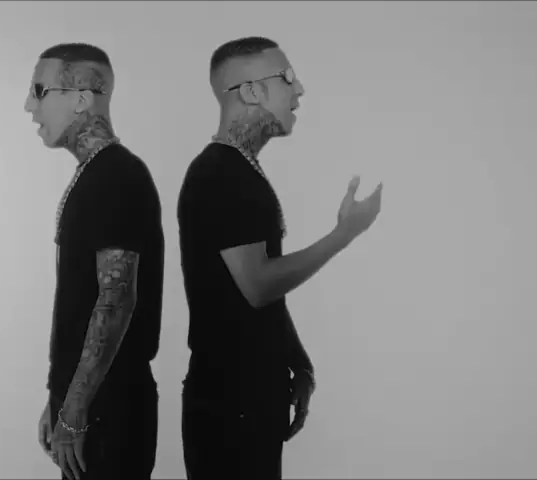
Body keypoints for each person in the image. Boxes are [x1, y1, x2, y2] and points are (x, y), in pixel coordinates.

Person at [176, 36, 384, 480]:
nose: (299, 89)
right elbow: (259, 285)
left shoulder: (240, 171)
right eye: (287, 77)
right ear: (251, 91)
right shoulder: (220, 174)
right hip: (231, 407)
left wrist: (298, 361)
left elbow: (259, 294)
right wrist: (344, 233)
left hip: (249, 402)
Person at [24, 42, 165, 480]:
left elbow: (115, 301)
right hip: (93, 407)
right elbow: (82, 301)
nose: (29, 106)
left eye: (39, 90)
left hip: (109, 411)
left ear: (81, 99)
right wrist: (59, 397)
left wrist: (74, 410)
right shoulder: (97, 175)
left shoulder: (116, 177)